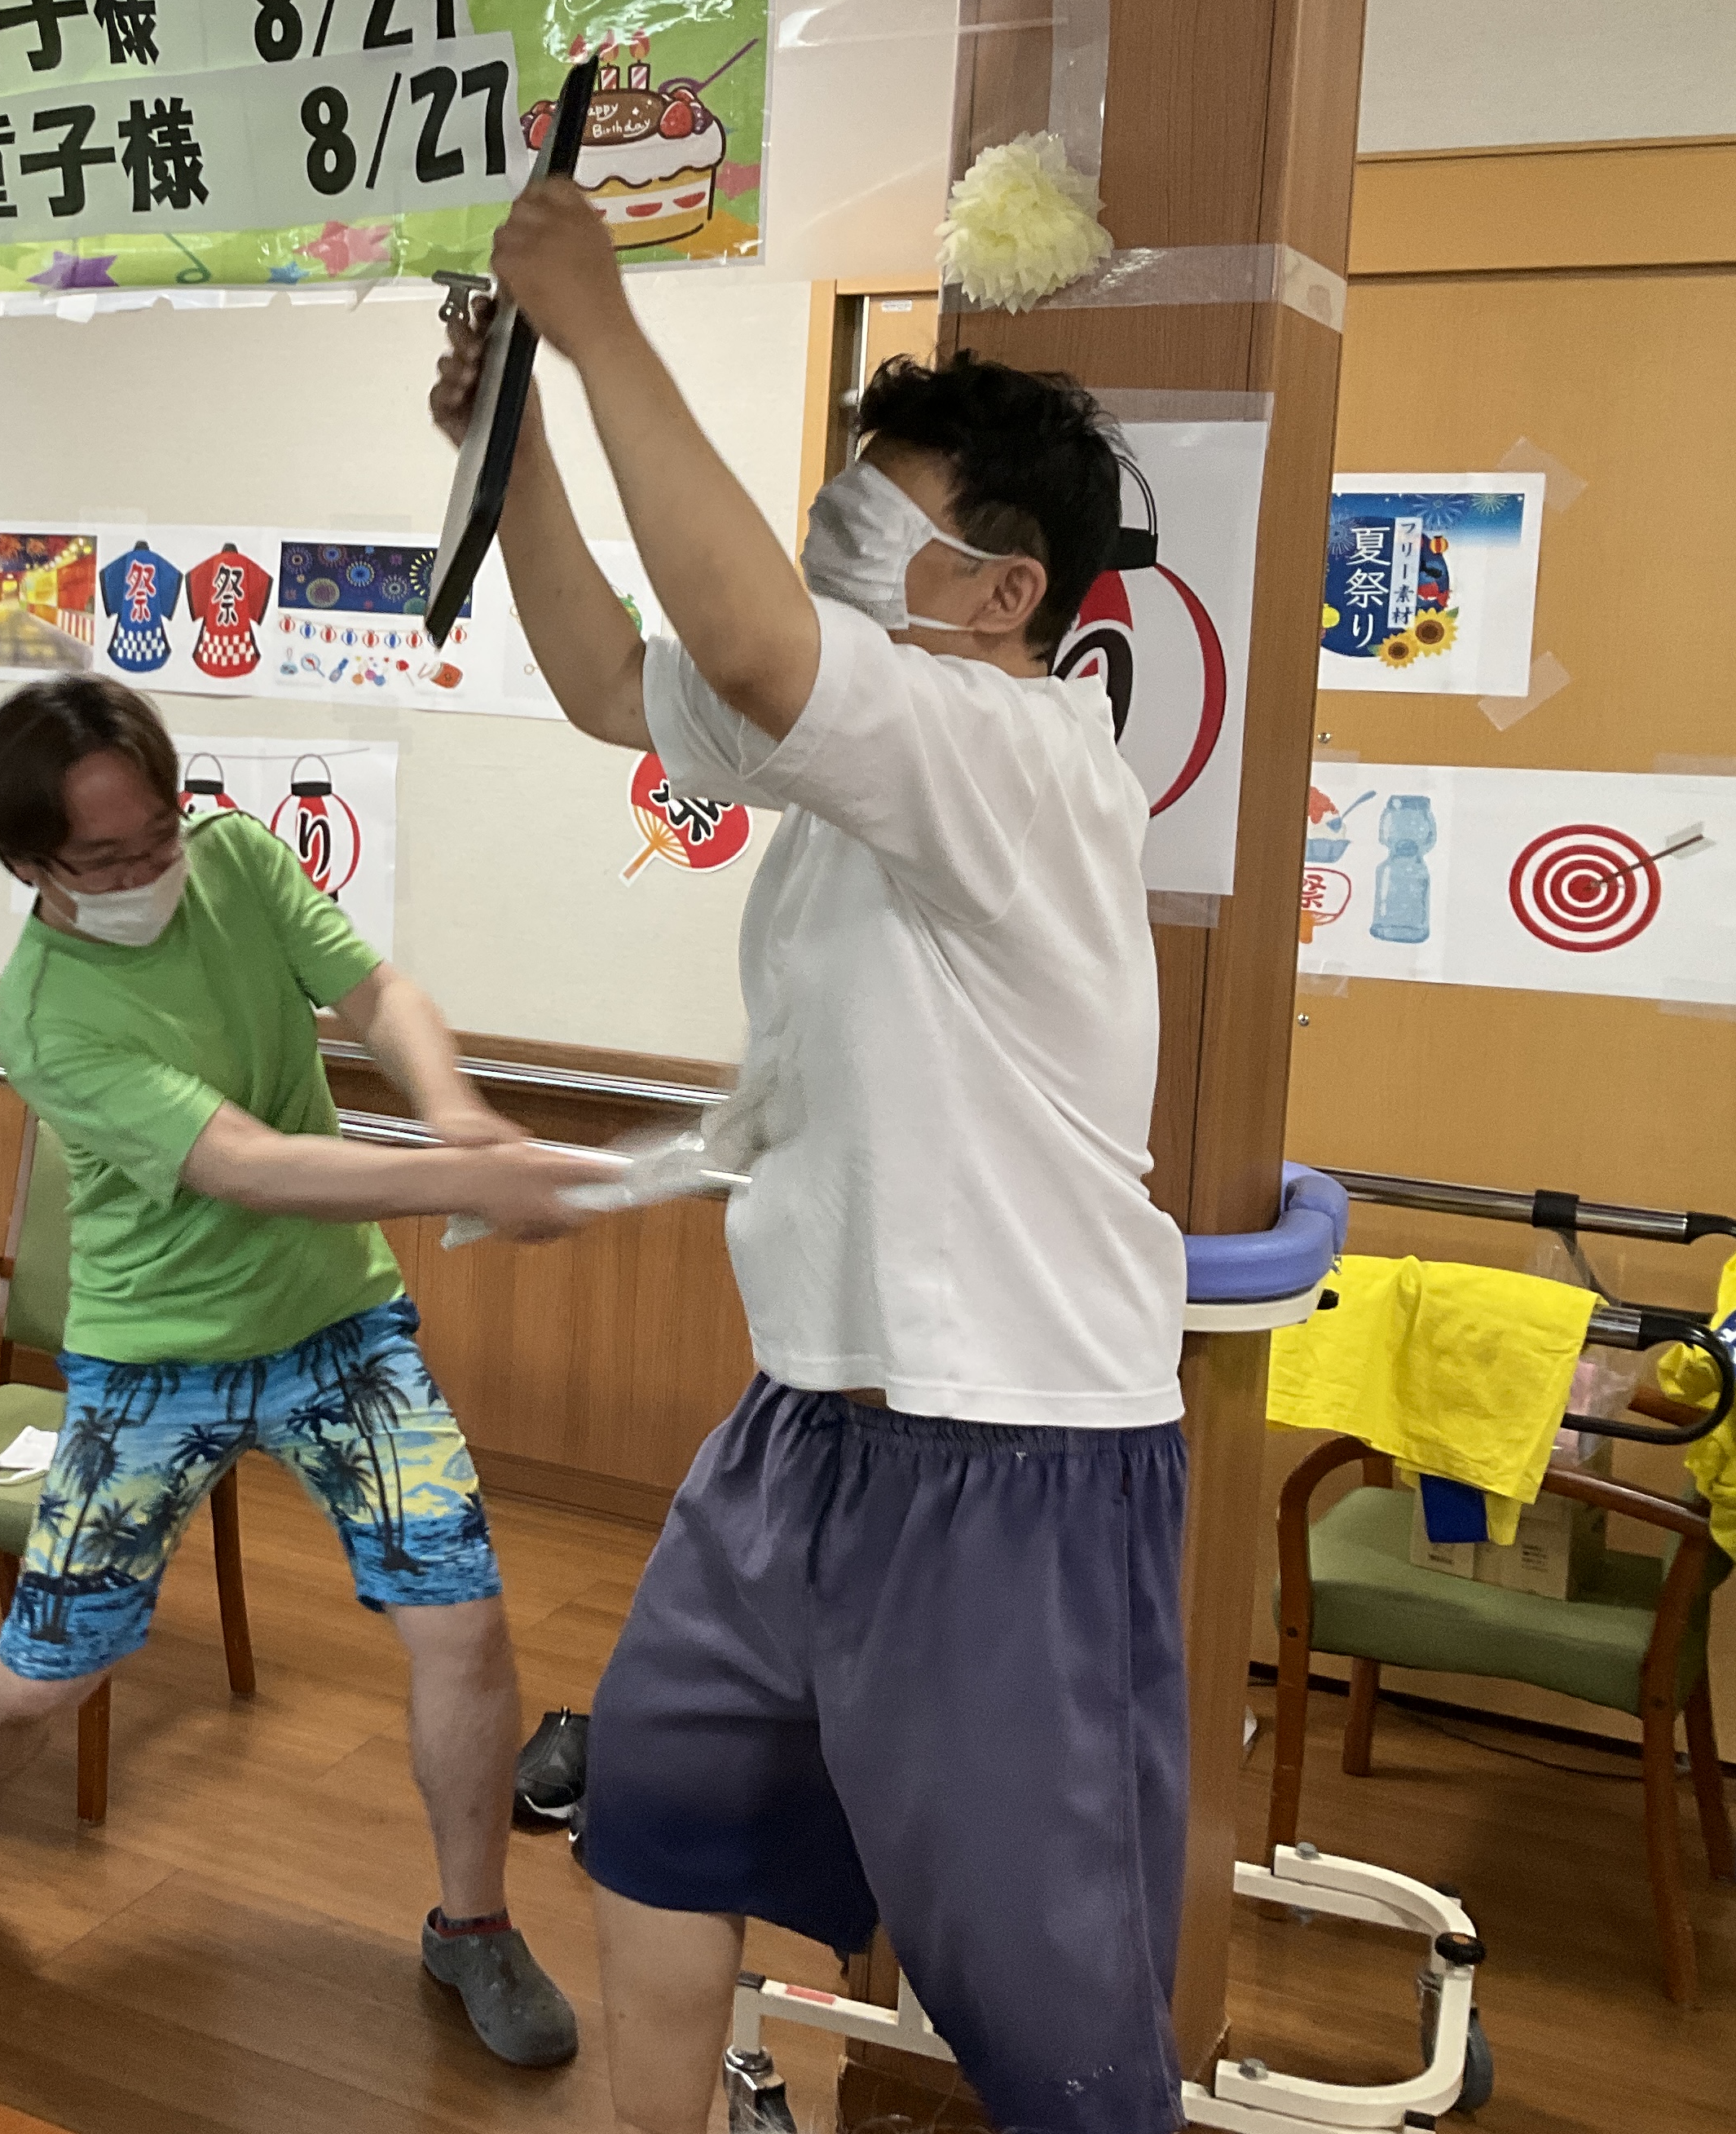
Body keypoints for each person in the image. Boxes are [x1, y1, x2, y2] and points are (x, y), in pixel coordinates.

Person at [438, 179, 1193, 2134]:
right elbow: (623, 678)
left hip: (1017, 1452)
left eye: (873, 523)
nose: (821, 545)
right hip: (803, 1433)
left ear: (1002, 593)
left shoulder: (1016, 757)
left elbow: (758, 650)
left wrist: (601, 324)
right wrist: (506, 442)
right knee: (658, 1843)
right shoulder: (862, 765)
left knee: (1050, 2015)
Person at [0, 674, 600, 2070]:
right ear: (31, 864)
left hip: (338, 1328)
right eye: (106, 859)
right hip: (149, 1355)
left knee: (461, 1619)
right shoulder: (43, 1010)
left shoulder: (234, 856)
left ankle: (471, 1922)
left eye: (156, 833)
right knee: (52, 1667)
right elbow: (245, 1163)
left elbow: (372, 988)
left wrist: (455, 1107)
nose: (147, 871)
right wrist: (464, 1177)